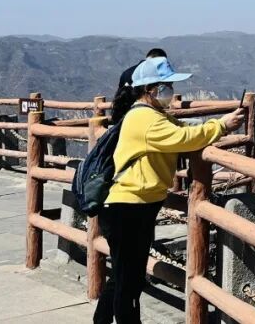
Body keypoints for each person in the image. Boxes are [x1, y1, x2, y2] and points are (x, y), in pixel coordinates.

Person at [94, 55, 245, 324]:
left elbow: (185, 128)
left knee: (122, 275)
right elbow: (183, 138)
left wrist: (218, 124)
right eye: (166, 86)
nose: (171, 92)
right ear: (149, 89)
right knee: (129, 281)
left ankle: (102, 320)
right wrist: (222, 126)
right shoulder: (145, 118)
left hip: (132, 206)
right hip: (128, 208)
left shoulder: (152, 115)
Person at [113, 48, 166, 117]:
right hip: (144, 113)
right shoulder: (152, 75)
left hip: (123, 113)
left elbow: (119, 94)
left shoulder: (126, 73)